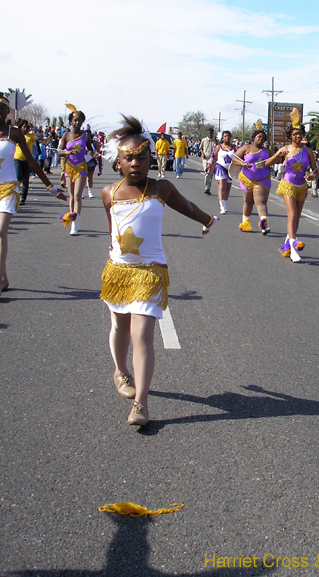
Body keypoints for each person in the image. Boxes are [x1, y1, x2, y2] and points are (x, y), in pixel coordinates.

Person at [99, 116, 216, 426]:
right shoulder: (109, 193)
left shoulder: (161, 188)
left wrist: (207, 220)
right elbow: (114, 232)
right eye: (128, 158)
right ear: (118, 163)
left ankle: (141, 404)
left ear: (151, 159)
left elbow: (186, 206)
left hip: (150, 273)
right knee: (120, 326)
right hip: (118, 272)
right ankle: (121, 371)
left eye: (141, 157)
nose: (135, 163)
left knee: (141, 334)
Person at [0, 92, 67, 296]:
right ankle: (4, 276)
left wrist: (49, 187)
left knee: (1, 233)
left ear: (9, 111)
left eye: (3, 107)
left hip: (9, 188)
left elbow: (31, 161)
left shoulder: (14, 133)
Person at [264, 121, 316, 262]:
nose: (298, 136)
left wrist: (312, 176)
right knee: (292, 215)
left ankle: (288, 242)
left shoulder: (308, 151)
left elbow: (315, 170)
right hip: (288, 184)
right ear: (290, 136)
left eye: (300, 133)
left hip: (302, 186)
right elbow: (267, 164)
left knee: (297, 217)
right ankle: (294, 248)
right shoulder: (285, 149)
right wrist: (277, 155)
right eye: (295, 134)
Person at [58, 109, 95, 235]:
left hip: (81, 167)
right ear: (70, 122)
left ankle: (75, 222)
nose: (77, 123)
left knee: (78, 195)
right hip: (69, 167)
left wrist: (90, 153)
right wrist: (68, 152)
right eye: (75, 120)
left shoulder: (86, 136)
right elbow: (59, 151)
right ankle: (72, 217)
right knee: (71, 196)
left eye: (79, 120)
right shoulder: (66, 135)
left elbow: (91, 150)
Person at [232, 129, 271, 234]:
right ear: (254, 137)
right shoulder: (246, 148)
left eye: (263, 137)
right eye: (259, 136)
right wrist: (242, 163)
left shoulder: (267, 151)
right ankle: (245, 223)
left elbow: (276, 158)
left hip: (263, 179)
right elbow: (234, 158)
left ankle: (264, 223)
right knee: (248, 202)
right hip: (246, 178)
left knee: (261, 201)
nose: (261, 138)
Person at [206, 130, 235, 214]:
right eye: (225, 136)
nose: (227, 138)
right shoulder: (218, 147)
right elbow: (213, 157)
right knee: (222, 187)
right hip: (220, 167)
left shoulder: (234, 147)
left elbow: (240, 156)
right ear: (222, 137)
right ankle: (222, 206)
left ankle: (224, 202)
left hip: (230, 169)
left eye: (228, 136)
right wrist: (209, 164)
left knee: (228, 188)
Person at [200, 128, 217, 194]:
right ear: (207, 133)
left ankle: (208, 188)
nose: (210, 134)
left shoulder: (214, 141)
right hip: (205, 158)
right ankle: (206, 187)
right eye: (209, 133)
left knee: (210, 174)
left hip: (212, 159)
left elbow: (217, 147)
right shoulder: (204, 140)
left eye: (211, 133)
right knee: (206, 172)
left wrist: (215, 140)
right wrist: (202, 153)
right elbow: (201, 148)